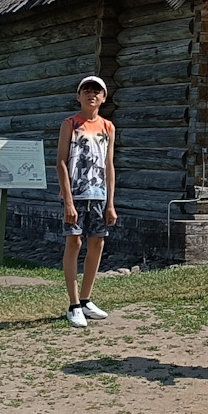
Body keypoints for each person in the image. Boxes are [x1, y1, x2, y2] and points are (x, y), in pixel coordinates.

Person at [56, 77, 118, 328]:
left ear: (103, 98)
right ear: (79, 96)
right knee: (75, 241)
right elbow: (61, 161)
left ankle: (86, 299)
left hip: (99, 194)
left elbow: (108, 165)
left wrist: (111, 202)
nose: (92, 95)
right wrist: (68, 200)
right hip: (77, 193)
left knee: (97, 243)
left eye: (97, 92)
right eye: (87, 91)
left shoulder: (108, 127)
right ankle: (73, 304)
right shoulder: (70, 124)